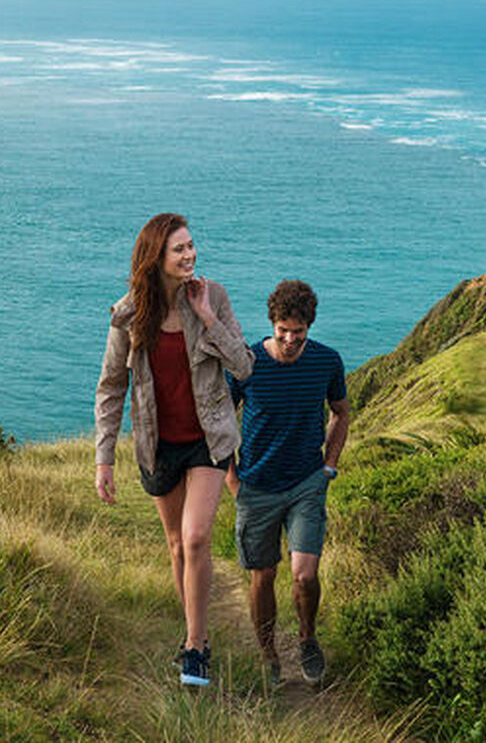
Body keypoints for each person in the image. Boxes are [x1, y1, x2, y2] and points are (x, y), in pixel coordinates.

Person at [94, 213, 253, 688]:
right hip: (157, 444)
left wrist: (206, 317)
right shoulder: (127, 314)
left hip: (209, 439)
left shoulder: (214, 297)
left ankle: (194, 647)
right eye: (179, 249)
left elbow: (243, 366)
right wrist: (104, 457)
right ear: (155, 259)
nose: (190, 255)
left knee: (198, 537)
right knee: (176, 545)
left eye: (191, 246)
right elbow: (110, 387)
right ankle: (195, 636)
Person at [228, 280, 349, 686]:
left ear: (309, 327)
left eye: (298, 331)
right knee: (261, 576)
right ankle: (267, 655)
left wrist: (329, 465)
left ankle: (307, 639)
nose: (290, 338)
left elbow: (341, 413)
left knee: (305, 575)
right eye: (283, 330)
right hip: (255, 486)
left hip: (305, 483)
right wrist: (231, 479)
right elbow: (221, 421)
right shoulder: (246, 363)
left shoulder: (327, 362)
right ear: (272, 323)